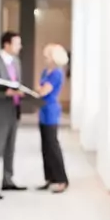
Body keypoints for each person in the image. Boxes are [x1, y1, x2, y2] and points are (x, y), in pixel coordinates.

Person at [0, 31, 27, 199]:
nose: (20, 47)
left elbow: (17, 84)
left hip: (14, 110)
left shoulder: (16, 62)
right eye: (17, 43)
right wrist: (6, 93)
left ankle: (8, 179)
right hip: (0, 112)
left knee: (10, 147)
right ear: (7, 45)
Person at [36, 43, 69, 193]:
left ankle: (62, 180)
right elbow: (40, 88)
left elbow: (43, 90)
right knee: (45, 147)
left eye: (47, 55)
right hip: (42, 110)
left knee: (53, 145)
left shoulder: (57, 73)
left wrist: (41, 90)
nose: (45, 58)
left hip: (51, 111)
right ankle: (50, 178)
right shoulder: (45, 71)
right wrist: (41, 89)